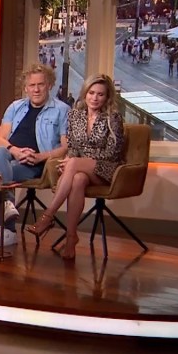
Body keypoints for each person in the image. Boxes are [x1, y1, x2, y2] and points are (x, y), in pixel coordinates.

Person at [27, 74, 124, 259]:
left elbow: (113, 153)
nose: (95, 98)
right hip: (80, 169)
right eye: (91, 93)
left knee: (73, 164)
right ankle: (71, 237)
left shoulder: (113, 118)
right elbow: (72, 147)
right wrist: (71, 161)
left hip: (107, 168)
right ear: (85, 93)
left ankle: (48, 216)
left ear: (107, 97)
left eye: (100, 94)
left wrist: (77, 162)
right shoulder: (75, 115)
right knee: (78, 179)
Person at [0, 63, 70, 247]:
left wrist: (39, 156)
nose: (36, 89)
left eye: (41, 84)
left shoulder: (62, 110)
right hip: (11, 157)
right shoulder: (15, 107)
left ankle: (7, 229)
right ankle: (8, 209)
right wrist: (16, 151)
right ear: (26, 88)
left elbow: (65, 147)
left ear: (49, 85)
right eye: (32, 85)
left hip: (36, 165)